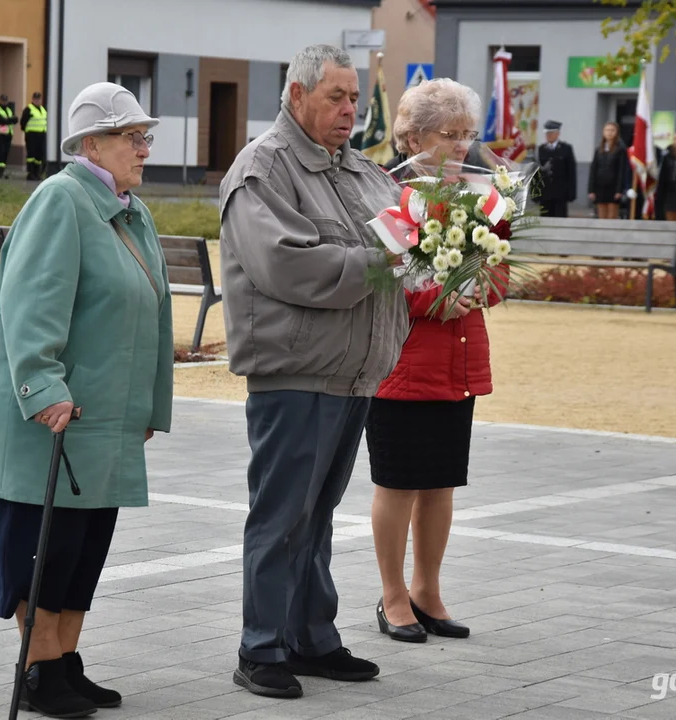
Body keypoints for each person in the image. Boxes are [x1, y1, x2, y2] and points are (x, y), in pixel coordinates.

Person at [0, 82, 173, 718]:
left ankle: (65, 664)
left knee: (82, 549)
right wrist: (43, 389)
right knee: (42, 551)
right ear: (92, 144)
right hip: (50, 418)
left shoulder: (130, 209)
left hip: (103, 418)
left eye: (145, 136)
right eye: (133, 137)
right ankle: (39, 667)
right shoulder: (61, 200)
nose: (144, 148)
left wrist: (147, 410)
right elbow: (28, 307)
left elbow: (151, 319)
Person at [218, 44, 407, 700]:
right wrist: (383, 261)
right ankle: (261, 647)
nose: (350, 110)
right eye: (336, 97)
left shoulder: (359, 171)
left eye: (353, 98)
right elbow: (287, 266)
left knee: (317, 514)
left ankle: (310, 637)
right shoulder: (263, 170)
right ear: (295, 96)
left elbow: (409, 236)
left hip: (353, 373)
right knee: (280, 516)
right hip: (294, 372)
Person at [366, 78, 507, 646]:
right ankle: (392, 594)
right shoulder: (386, 195)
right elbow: (389, 279)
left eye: (468, 135)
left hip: (457, 362)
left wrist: (482, 284)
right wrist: (443, 295)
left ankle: (428, 589)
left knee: (442, 484)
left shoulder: (478, 195)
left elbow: (497, 270)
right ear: (411, 136)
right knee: (398, 484)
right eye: (448, 134)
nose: (460, 146)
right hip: (403, 364)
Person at [537, 119, 577, 218]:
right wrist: (535, 192)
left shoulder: (566, 148)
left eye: (551, 133)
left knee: (560, 218)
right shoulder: (541, 149)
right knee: (544, 220)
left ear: (558, 133)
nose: (548, 136)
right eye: (547, 133)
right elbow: (536, 172)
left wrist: (571, 193)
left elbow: (571, 172)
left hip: (560, 193)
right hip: (545, 192)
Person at [588, 122, 629, 219]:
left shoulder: (620, 149)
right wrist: (591, 190)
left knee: (612, 216)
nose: (609, 133)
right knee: (602, 216)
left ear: (617, 132)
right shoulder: (599, 149)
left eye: (612, 130)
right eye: (607, 130)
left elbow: (621, 170)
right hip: (600, 186)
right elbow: (593, 169)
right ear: (603, 132)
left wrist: (619, 190)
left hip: (613, 187)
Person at [656, 130, 676, 221]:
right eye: (675, 138)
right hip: (669, 192)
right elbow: (663, 175)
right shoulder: (668, 155)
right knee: (670, 219)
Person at [21, 91, 48, 180]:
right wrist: (26, 131)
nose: (38, 101)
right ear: (33, 99)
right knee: (31, 155)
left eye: (39, 99)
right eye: (36, 99)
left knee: (39, 155)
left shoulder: (43, 109)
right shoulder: (29, 109)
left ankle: (37, 173)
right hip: (31, 135)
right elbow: (23, 122)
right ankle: (30, 173)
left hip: (41, 134)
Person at [0, 93, 17, 179]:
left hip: (8, 134)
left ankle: (2, 170)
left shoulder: (9, 110)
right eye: (2, 100)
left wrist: (8, 120)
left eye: (5, 100)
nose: (4, 102)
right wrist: (9, 120)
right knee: (0, 152)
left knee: (5, 153)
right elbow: (1, 120)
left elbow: (15, 119)